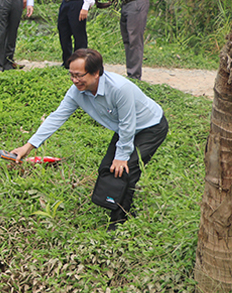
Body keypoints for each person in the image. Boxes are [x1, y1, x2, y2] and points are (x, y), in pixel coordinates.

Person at [10, 48, 168, 230]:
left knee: (125, 170)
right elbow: (57, 117)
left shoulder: (119, 88)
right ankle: (114, 203)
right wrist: (28, 147)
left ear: (95, 73)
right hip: (124, 128)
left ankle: (119, 222)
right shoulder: (77, 91)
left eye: (79, 75)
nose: (75, 80)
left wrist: (122, 156)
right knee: (107, 169)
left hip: (150, 127)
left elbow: (128, 123)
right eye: (71, 75)